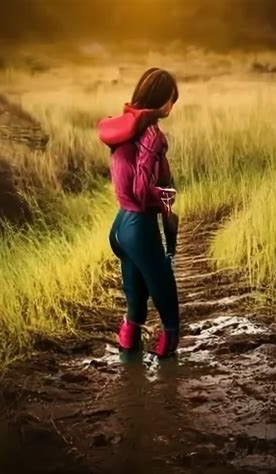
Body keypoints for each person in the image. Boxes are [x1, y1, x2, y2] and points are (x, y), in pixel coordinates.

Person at [97, 67, 180, 358]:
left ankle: (128, 346)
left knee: (135, 292)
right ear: (162, 99)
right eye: (171, 99)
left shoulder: (126, 129)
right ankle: (168, 354)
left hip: (121, 225)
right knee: (163, 288)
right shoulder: (151, 134)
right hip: (139, 225)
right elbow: (142, 189)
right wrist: (166, 197)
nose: (172, 105)